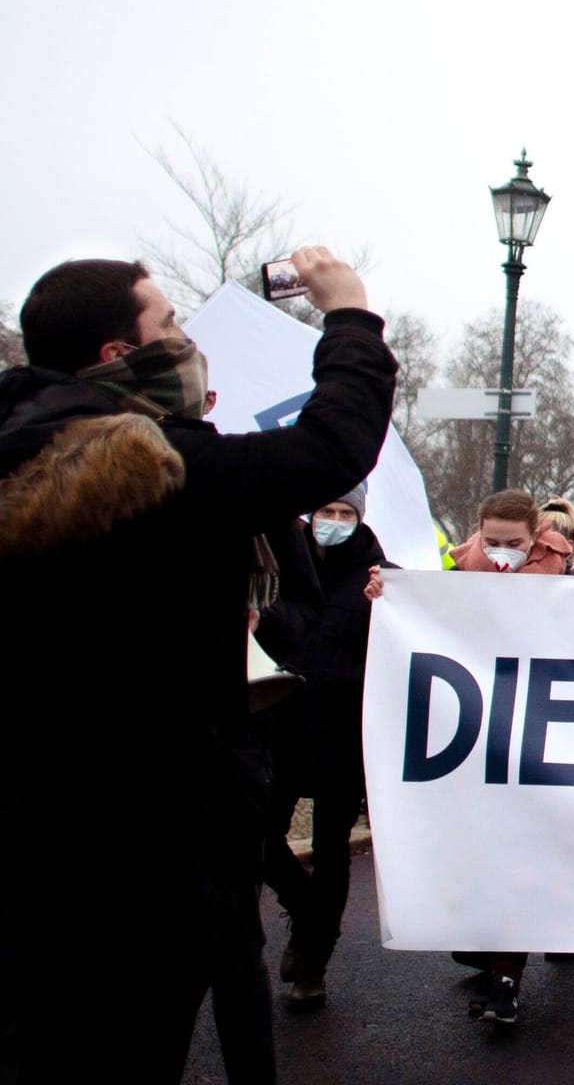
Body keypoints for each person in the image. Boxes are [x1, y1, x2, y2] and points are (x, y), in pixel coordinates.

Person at [0, 248, 394, 1082]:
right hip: (143, 843)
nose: (185, 337)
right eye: (169, 323)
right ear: (120, 356)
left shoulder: (18, 448)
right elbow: (331, 444)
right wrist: (351, 317)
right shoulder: (152, 471)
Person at [367, 490, 574, 1027]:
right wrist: (386, 596)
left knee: (524, 854)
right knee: (494, 852)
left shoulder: (565, 567)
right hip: (482, 733)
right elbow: (420, 617)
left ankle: (507, 979)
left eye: (514, 544)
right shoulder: (456, 569)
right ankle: (501, 965)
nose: (502, 552)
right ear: (479, 533)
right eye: (492, 541)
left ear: (534, 539)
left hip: (546, 731)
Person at [259, 482, 389, 1013]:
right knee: (260, 836)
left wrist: (390, 598)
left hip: (341, 737)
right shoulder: (277, 568)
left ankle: (313, 966)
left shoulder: (378, 576)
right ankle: (306, 910)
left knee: (332, 849)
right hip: (278, 729)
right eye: (325, 510)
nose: (334, 520)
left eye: (344, 511)